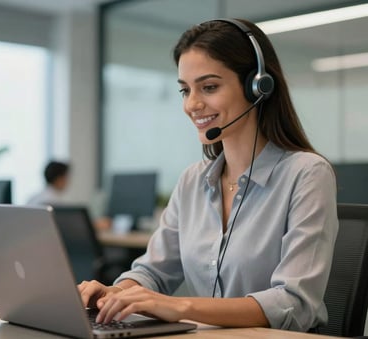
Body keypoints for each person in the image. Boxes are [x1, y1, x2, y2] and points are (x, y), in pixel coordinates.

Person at [78, 18, 338, 332]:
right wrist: (116, 292)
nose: (192, 104)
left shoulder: (306, 175)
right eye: (185, 90)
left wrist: (181, 306)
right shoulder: (192, 181)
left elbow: (295, 303)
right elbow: (154, 271)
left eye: (209, 87)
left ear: (257, 86)